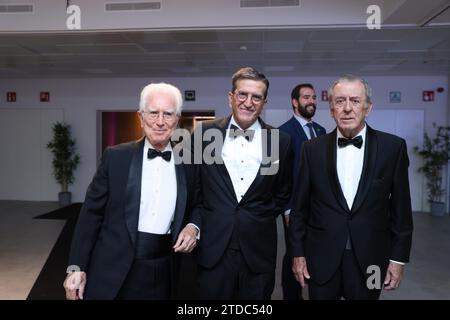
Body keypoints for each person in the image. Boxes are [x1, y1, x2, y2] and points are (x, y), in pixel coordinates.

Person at [63, 83, 198, 300]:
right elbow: (90, 215)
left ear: (177, 119)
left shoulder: (190, 161)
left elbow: (198, 203)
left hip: (164, 269)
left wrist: (193, 227)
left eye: (168, 114)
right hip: (112, 268)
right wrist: (76, 267)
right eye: (153, 113)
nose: (160, 121)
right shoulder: (115, 157)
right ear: (140, 117)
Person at [289, 74, 413, 300]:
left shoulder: (393, 148)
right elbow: (299, 209)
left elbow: (401, 210)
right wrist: (297, 254)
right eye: (340, 101)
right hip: (321, 258)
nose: (347, 108)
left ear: (368, 108)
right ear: (331, 109)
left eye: (355, 101)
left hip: (373, 259)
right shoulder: (311, 149)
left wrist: (397, 260)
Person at [190, 67, 293, 300]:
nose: (249, 102)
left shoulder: (279, 141)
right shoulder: (205, 133)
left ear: (264, 103)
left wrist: (258, 214)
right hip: (213, 248)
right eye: (243, 95)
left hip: (258, 249)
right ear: (231, 98)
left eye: (256, 97)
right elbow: (196, 188)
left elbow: (282, 192)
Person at [278, 83, 326, 300]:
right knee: (294, 254)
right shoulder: (282, 133)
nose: (312, 101)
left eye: (314, 97)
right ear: (295, 102)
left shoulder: (321, 131)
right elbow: (281, 177)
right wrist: (287, 210)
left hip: (319, 207)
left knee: (316, 251)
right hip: (294, 208)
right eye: (306, 97)